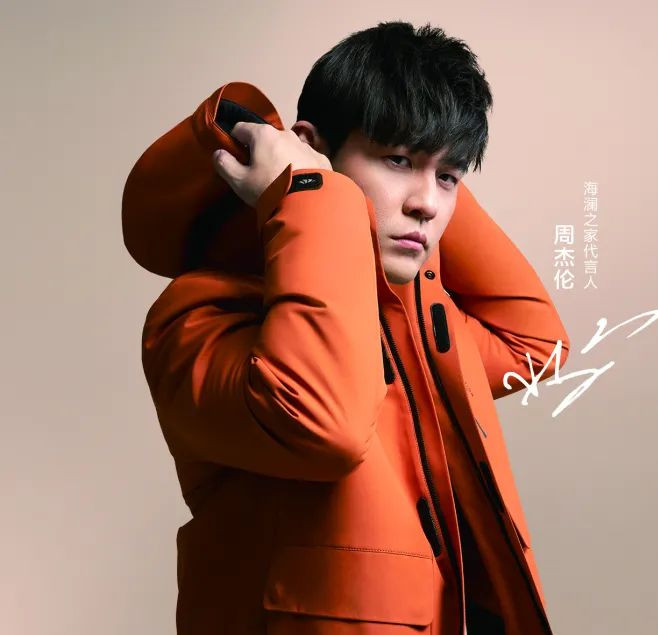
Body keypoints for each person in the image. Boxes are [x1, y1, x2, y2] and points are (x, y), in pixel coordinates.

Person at [121, 21, 570, 635]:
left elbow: (536, 344)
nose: (427, 204)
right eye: (396, 159)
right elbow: (322, 428)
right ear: (309, 149)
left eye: (450, 177)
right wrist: (309, 190)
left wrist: (421, 176)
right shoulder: (196, 316)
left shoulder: (409, 316)